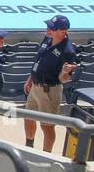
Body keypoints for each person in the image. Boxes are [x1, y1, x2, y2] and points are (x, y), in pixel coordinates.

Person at [22, 15, 79, 152]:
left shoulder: (67, 51)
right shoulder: (47, 39)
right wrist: (30, 79)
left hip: (49, 91)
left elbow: (62, 80)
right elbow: (38, 60)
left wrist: (65, 72)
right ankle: (29, 146)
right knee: (28, 116)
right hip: (36, 86)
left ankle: (46, 154)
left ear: (62, 31)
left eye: (52, 28)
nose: (48, 29)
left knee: (46, 126)